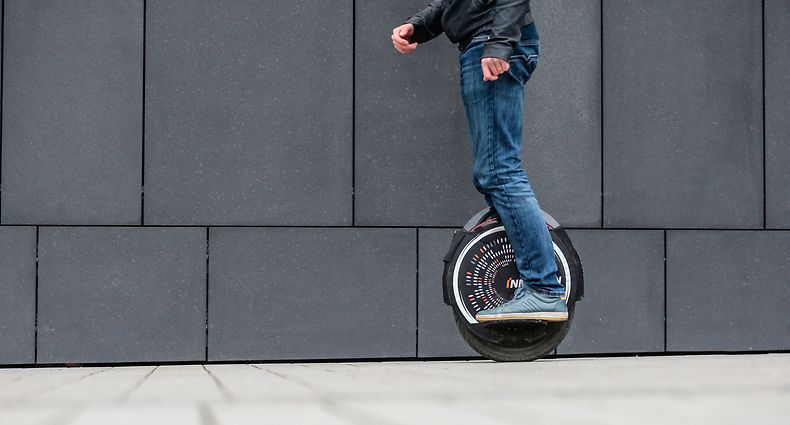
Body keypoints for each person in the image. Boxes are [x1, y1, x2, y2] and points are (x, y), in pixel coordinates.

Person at [392, 0, 568, 322]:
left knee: (500, 170)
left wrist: (499, 44)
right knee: (492, 172)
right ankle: (538, 285)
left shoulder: (495, 41)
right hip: (483, 41)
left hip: (491, 42)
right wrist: (419, 25)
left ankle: (543, 289)